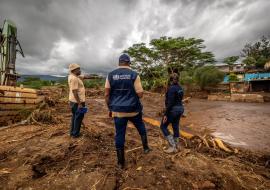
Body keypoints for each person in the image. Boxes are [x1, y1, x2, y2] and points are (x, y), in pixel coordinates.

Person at [105, 54, 151, 168]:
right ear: (129, 63)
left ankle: (121, 163)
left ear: (119, 63)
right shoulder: (134, 75)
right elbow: (140, 95)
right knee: (141, 127)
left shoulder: (110, 75)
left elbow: (106, 95)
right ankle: (145, 148)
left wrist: (110, 109)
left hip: (118, 111)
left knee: (119, 134)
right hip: (133, 110)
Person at [68, 63, 96, 138]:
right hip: (77, 102)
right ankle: (75, 134)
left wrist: (95, 77)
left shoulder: (75, 76)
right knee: (79, 117)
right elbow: (74, 91)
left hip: (73, 101)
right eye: (78, 69)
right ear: (74, 70)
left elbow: (85, 77)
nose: (80, 70)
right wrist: (79, 103)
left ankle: (72, 132)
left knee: (75, 116)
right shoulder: (74, 78)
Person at [160, 73, 184, 153]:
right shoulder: (180, 88)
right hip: (180, 109)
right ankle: (177, 145)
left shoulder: (171, 89)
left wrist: (166, 114)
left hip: (173, 110)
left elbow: (170, 103)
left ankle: (172, 146)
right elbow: (180, 99)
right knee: (175, 126)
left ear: (170, 80)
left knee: (163, 126)